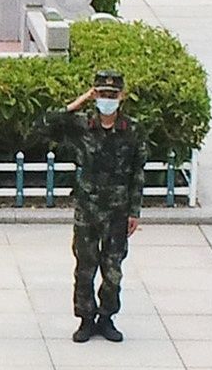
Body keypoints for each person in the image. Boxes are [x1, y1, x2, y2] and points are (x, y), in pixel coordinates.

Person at [39, 70, 144, 343]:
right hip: (87, 209)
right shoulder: (83, 125)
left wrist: (135, 211)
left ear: (121, 97)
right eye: (101, 94)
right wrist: (81, 100)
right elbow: (46, 124)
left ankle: (107, 318)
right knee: (85, 266)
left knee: (113, 270)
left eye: (112, 95)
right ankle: (85, 319)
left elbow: (137, 173)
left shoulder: (131, 129)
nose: (106, 100)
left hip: (118, 211)